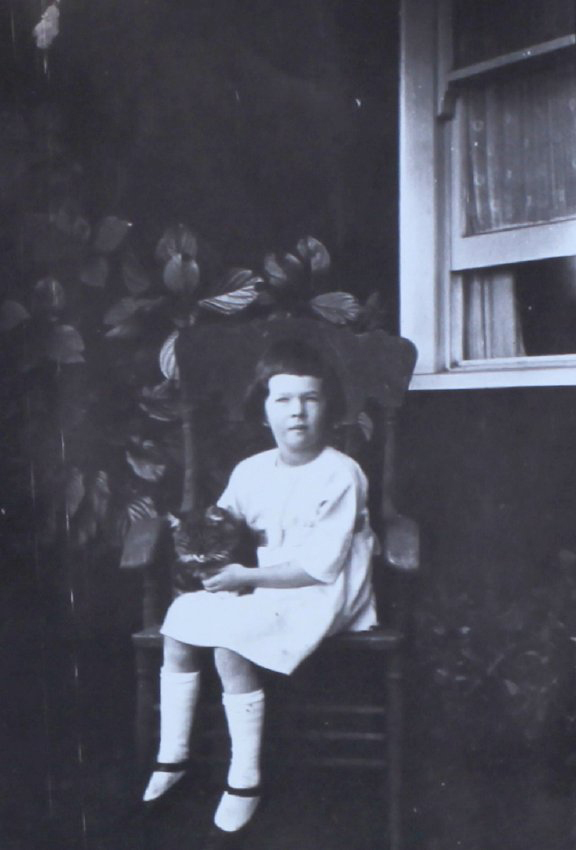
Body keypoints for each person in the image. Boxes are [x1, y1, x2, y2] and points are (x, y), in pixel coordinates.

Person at [143, 338, 378, 843]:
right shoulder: (251, 470)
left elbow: (320, 568)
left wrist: (242, 579)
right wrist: (203, 553)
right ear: (265, 410)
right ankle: (172, 754)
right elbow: (223, 524)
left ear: (329, 407)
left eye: (310, 399)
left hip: (322, 593)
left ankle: (244, 778)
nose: (297, 412)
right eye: (283, 399)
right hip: (263, 585)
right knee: (180, 621)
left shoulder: (340, 473)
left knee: (231, 643)